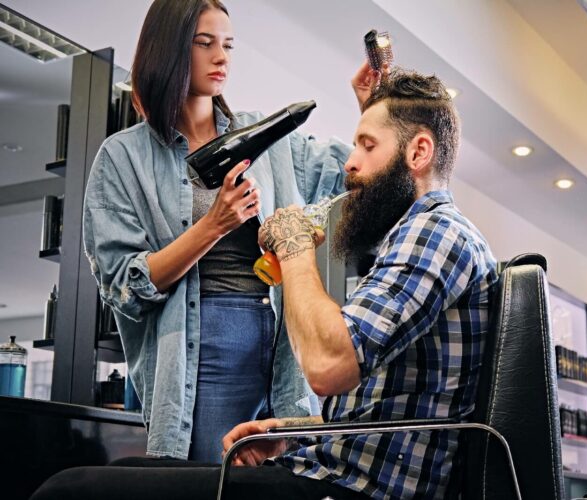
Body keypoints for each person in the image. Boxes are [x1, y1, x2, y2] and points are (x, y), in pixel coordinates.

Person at [33, 70, 498, 499]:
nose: (350, 164)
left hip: (355, 490)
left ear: (418, 152)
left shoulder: (436, 234)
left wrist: (293, 245)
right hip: (329, 467)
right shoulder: (412, 237)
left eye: (367, 146)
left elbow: (327, 365)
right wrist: (293, 432)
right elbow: (390, 411)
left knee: (68, 491)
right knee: (128, 469)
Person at [81, 0, 383, 463]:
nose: (221, 57)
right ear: (169, 50)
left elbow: (354, 174)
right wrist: (213, 225)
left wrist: (370, 110)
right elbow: (126, 285)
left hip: (283, 347)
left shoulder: (268, 139)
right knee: (212, 481)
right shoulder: (124, 158)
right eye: (205, 44)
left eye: (227, 45)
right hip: (202, 357)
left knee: (280, 486)